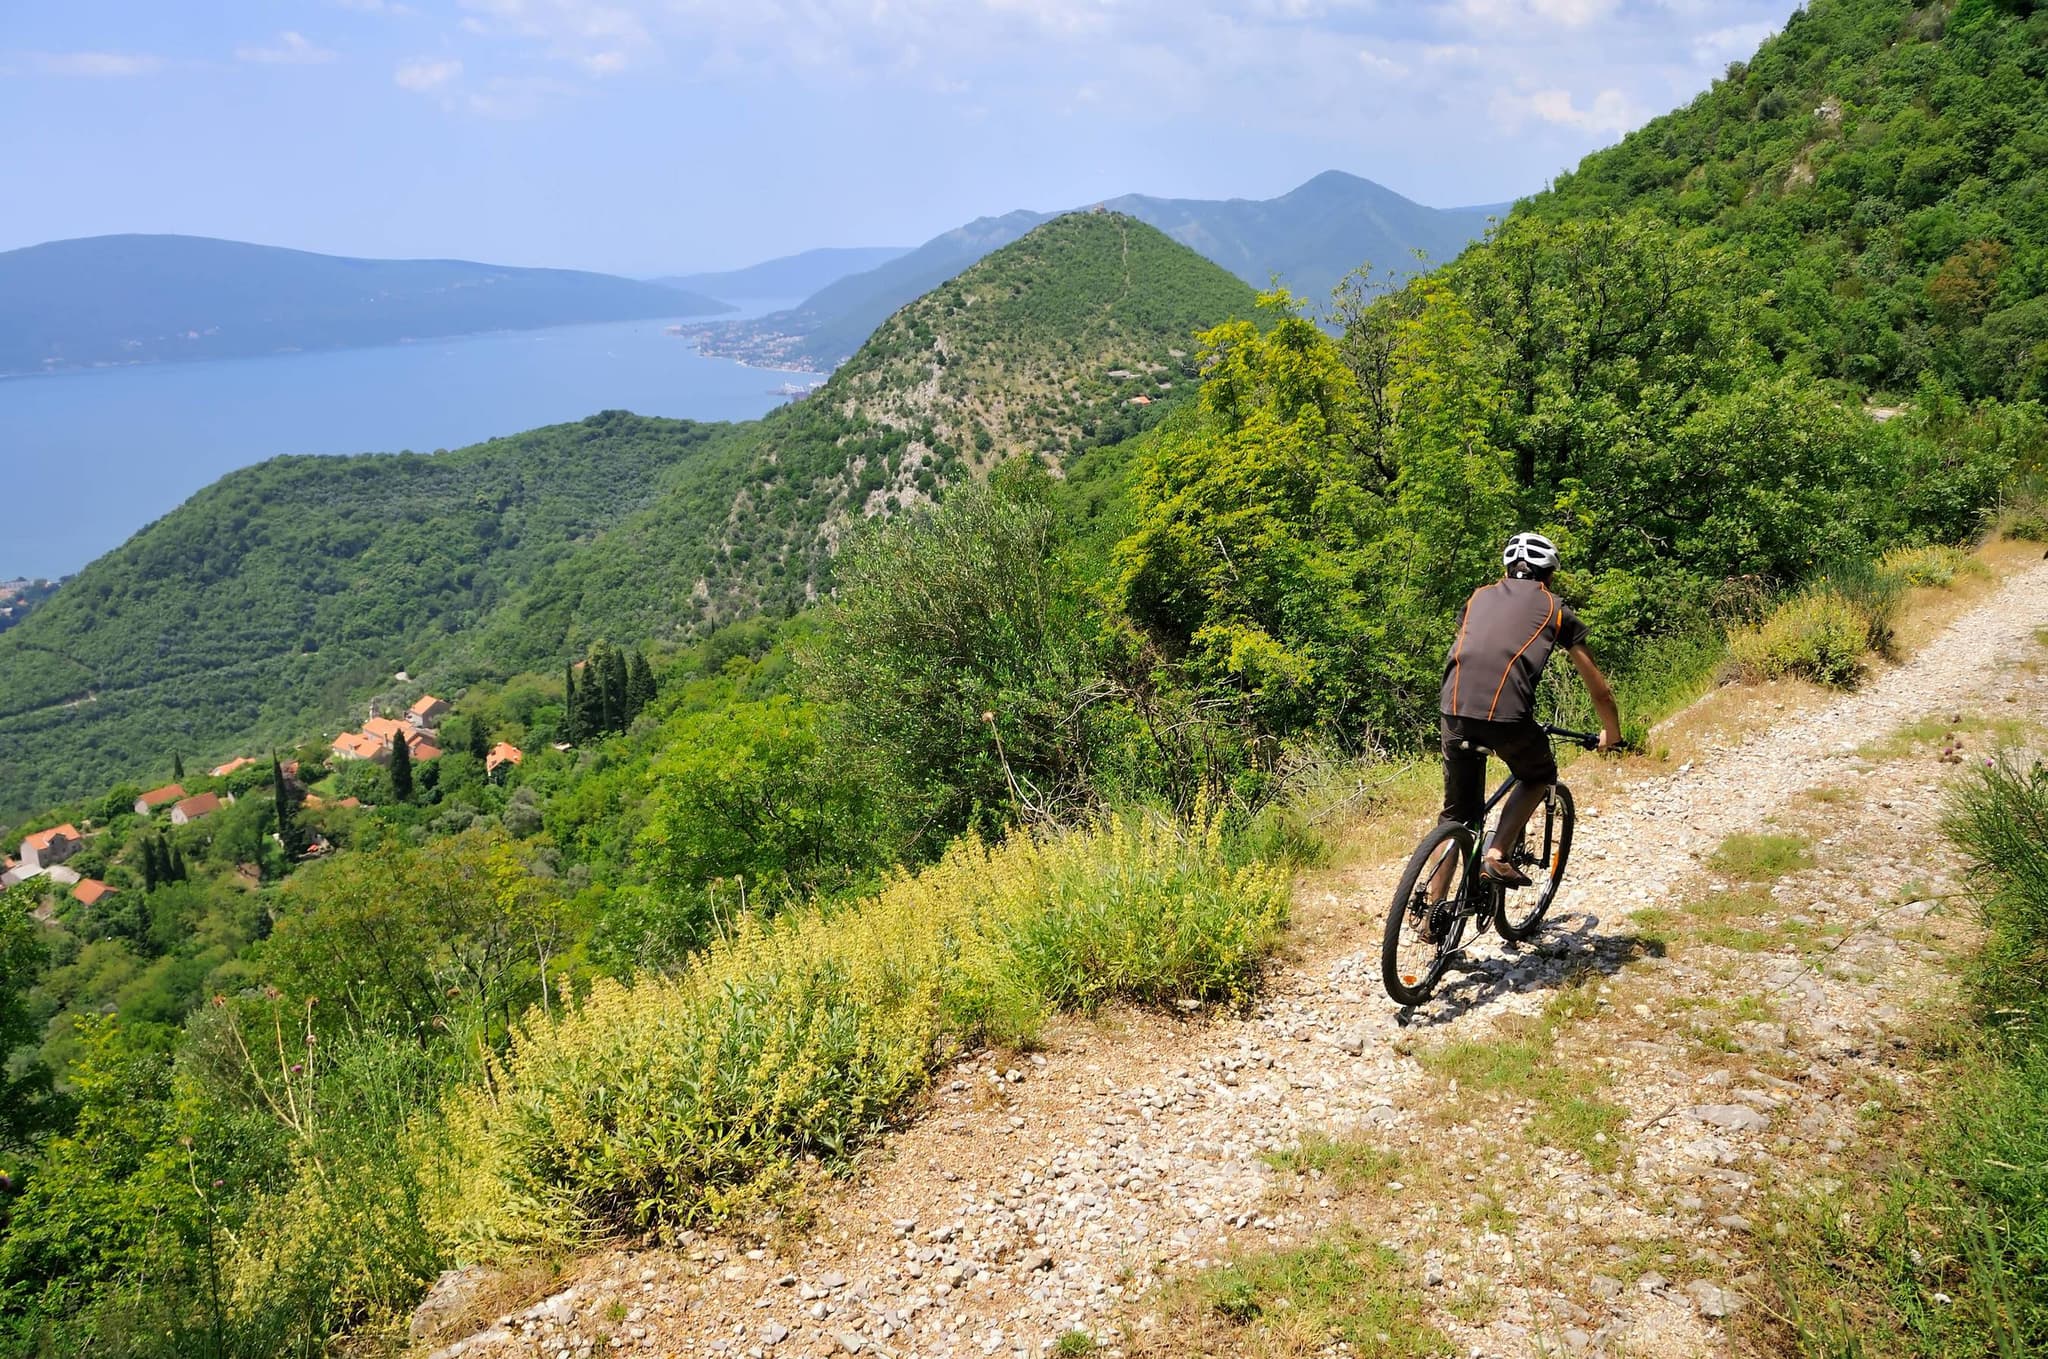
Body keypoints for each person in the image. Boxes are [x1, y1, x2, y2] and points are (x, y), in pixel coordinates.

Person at [1436, 532, 1621, 890]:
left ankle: (1430, 908)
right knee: (1538, 774)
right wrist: (1612, 735)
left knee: (1457, 815)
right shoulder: (1555, 608)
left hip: (1453, 711)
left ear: (1507, 568)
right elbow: (1600, 690)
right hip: (1507, 718)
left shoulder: (1477, 598)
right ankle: (1496, 855)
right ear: (1549, 575)